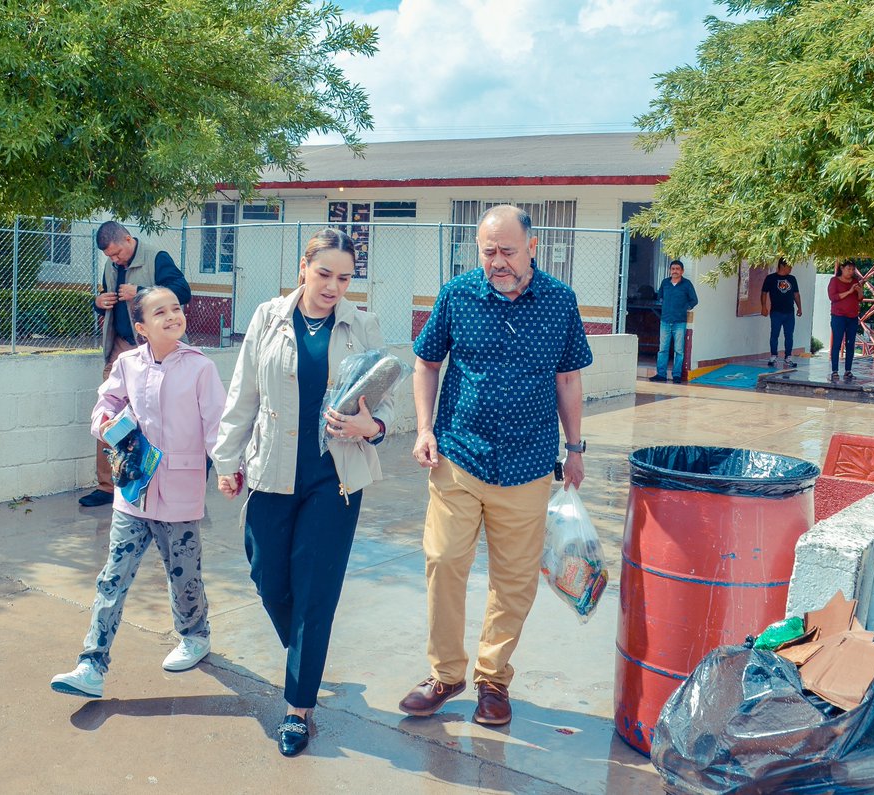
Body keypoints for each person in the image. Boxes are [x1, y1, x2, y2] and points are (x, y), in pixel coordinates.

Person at [400, 205, 593, 727]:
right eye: (489, 252)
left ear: (533, 247)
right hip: (458, 456)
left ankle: (493, 679)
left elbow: (568, 379)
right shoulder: (457, 295)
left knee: (513, 582)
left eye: (508, 251)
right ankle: (445, 674)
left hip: (529, 463)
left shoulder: (559, 301)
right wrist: (424, 428)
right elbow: (426, 363)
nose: (499, 261)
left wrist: (575, 449)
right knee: (443, 561)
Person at [211, 228, 393, 757]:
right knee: (267, 576)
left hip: (335, 476)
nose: (333, 286)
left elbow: (386, 402)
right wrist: (226, 460)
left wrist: (371, 427)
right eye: (324, 274)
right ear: (303, 269)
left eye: (345, 278)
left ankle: (298, 706)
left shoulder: (362, 325)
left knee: (315, 591)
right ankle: (306, 654)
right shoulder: (268, 317)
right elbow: (243, 393)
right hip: (271, 468)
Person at [51, 286, 226, 699]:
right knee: (112, 578)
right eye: (160, 312)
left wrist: (229, 469)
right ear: (142, 327)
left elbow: (217, 425)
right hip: (133, 491)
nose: (172, 316)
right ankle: (91, 665)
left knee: (183, 576)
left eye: (176, 309)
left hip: (180, 493)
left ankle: (195, 635)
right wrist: (106, 424)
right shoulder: (127, 363)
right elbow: (106, 405)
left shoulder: (201, 368)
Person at [79, 221, 192, 508]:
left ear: (128, 239)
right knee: (109, 417)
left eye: (117, 253)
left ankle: (162, 481)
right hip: (120, 349)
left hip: (156, 351)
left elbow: (182, 292)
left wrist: (141, 291)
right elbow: (109, 299)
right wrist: (98, 302)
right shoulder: (111, 266)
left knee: (161, 415)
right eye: (110, 257)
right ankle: (107, 486)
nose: (115, 260)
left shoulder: (157, 258)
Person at [648, 260, 698, 383]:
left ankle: (677, 375)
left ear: (682, 271)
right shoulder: (665, 283)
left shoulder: (687, 284)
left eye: (677, 269)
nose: (675, 271)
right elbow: (659, 296)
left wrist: (685, 307)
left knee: (679, 351)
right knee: (663, 349)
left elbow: (694, 300)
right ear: (670, 270)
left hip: (680, 322)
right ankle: (661, 374)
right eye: (673, 269)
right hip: (665, 321)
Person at [761, 258, 802, 368]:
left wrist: (799, 308)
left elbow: (796, 294)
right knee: (774, 334)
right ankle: (773, 356)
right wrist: (763, 306)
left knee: (789, 335)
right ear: (782, 265)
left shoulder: (792, 279)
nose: (791, 268)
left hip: (789, 312)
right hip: (776, 312)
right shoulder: (771, 278)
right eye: (789, 266)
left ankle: (788, 357)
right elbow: (764, 293)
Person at [828, 260, 863, 382]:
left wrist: (859, 290)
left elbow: (860, 298)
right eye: (848, 269)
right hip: (838, 316)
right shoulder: (834, 281)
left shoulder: (855, 281)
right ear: (842, 268)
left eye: (853, 269)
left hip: (852, 317)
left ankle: (848, 370)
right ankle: (834, 370)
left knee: (850, 344)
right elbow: (833, 297)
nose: (851, 272)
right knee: (837, 343)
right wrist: (849, 291)